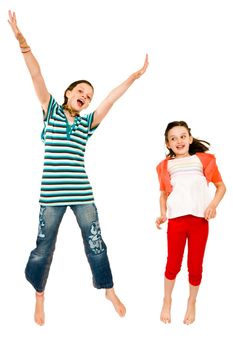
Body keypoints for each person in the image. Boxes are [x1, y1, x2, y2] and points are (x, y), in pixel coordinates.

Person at [8, 10, 149, 326]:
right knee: (45, 245)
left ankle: (108, 289)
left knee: (95, 240)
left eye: (89, 95)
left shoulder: (87, 124)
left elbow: (110, 101)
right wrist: (23, 42)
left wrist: (131, 78)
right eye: (81, 91)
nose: (85, 97)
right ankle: (39, 295)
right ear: (68, 94)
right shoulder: (52, 111)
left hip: (82, 192)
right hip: (52, 195)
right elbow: (36, 76)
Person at [156, 121, 226, 325]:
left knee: (195, 266)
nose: (179, 140)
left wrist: (213, 205)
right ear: (167, 143)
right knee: (172, 264)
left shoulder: (202, 160)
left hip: (199, 221)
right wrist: (162, 214)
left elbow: (221, 187)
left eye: (183, 136)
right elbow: (163, 195)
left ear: (190, 138)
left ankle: (192, 301)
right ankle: (167, 299)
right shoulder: (166, 166)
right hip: (176, 221)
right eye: (173, 138)